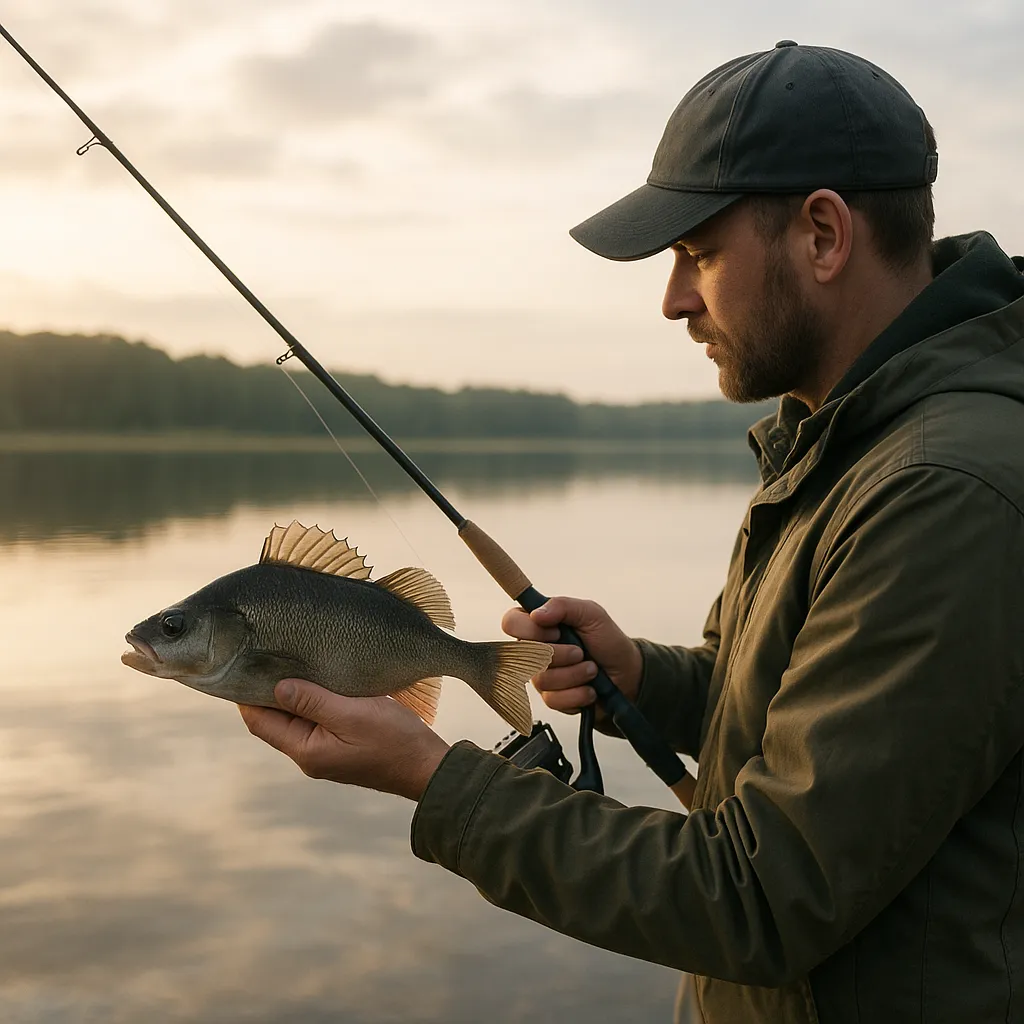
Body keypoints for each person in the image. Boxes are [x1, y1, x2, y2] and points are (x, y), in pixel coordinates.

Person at [239, 41, 1024, 1023]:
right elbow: (819, 721)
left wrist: (435, 779)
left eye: (697, 254)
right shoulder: (844, 444)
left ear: (823, 235)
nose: (671, 300)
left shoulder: (941, 491)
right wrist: (653, 680)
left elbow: (762, 895)